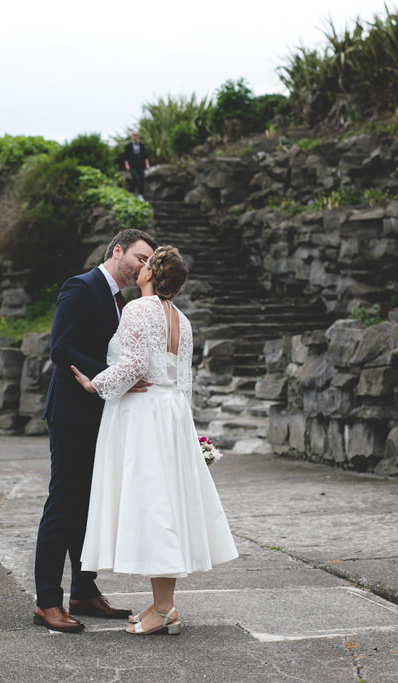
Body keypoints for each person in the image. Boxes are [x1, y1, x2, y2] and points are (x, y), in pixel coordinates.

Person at [71, 245, 239, 636]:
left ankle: (164, 609)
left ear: (151, 274)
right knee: (165, 501)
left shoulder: (137, 309)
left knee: (153, 506)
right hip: (172, 411)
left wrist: (94, 384)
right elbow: (184, 379)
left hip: (143, 415)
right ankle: (161, 604)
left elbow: (133, 365)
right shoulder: (182, 318)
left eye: (148, 263)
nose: (141, 266)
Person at [32, 228, 158, 634]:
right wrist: (112, 377)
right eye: (140, 258)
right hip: (72, 414)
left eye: (149, 262)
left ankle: (83, 592)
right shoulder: (81, 286)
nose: (144, 266)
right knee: (63, 504)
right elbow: (61, 348)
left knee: (89, 506)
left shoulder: (122, 301)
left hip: (101, 414)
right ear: (117, 250)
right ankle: (46, 602)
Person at [123, 131, 150, 200]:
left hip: (140, 165)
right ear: (131, 136)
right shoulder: (128, 146)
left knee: (142, 179)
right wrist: (127, 165)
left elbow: (145, 156)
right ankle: (131, 192)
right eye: (134, 135)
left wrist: (147, 164)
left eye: (136, 135)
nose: (135, 137)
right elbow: (126, 157)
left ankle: (140, 194)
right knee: (135, 178)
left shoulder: (141, 145)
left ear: (138, 136)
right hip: (132, 165)